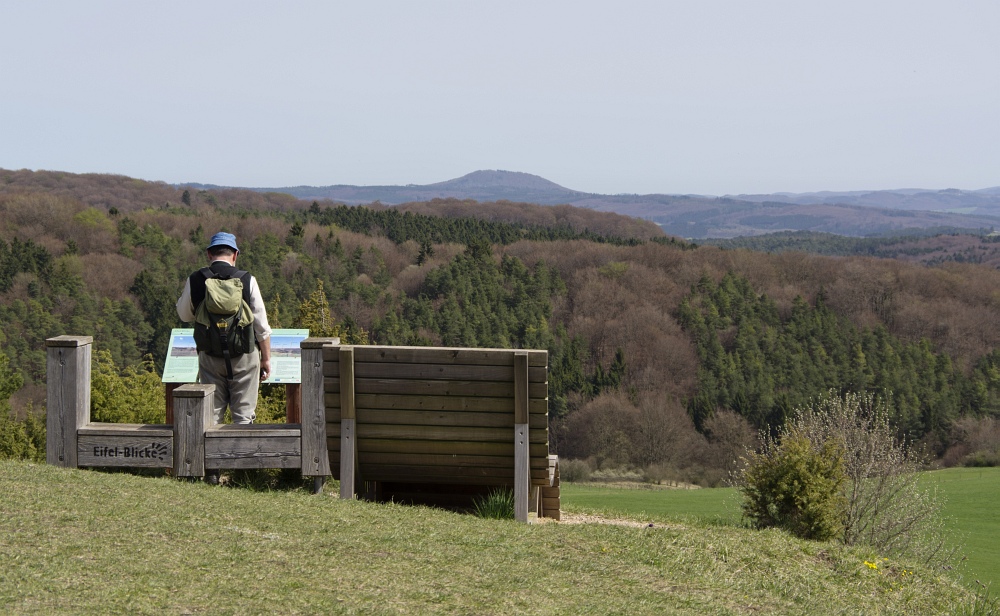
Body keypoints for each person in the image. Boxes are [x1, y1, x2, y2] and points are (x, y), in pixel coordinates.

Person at [176, 232, 272, 426]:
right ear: (235, 255)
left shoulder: (196, 279)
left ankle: (208, 456)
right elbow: (261, 326)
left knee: (211, 416)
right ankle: (241, 454)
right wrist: (266, 359)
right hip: (244, 355)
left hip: (210, 355)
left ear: (209, 254)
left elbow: (184, 315)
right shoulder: (247, 279)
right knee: (244, 416)